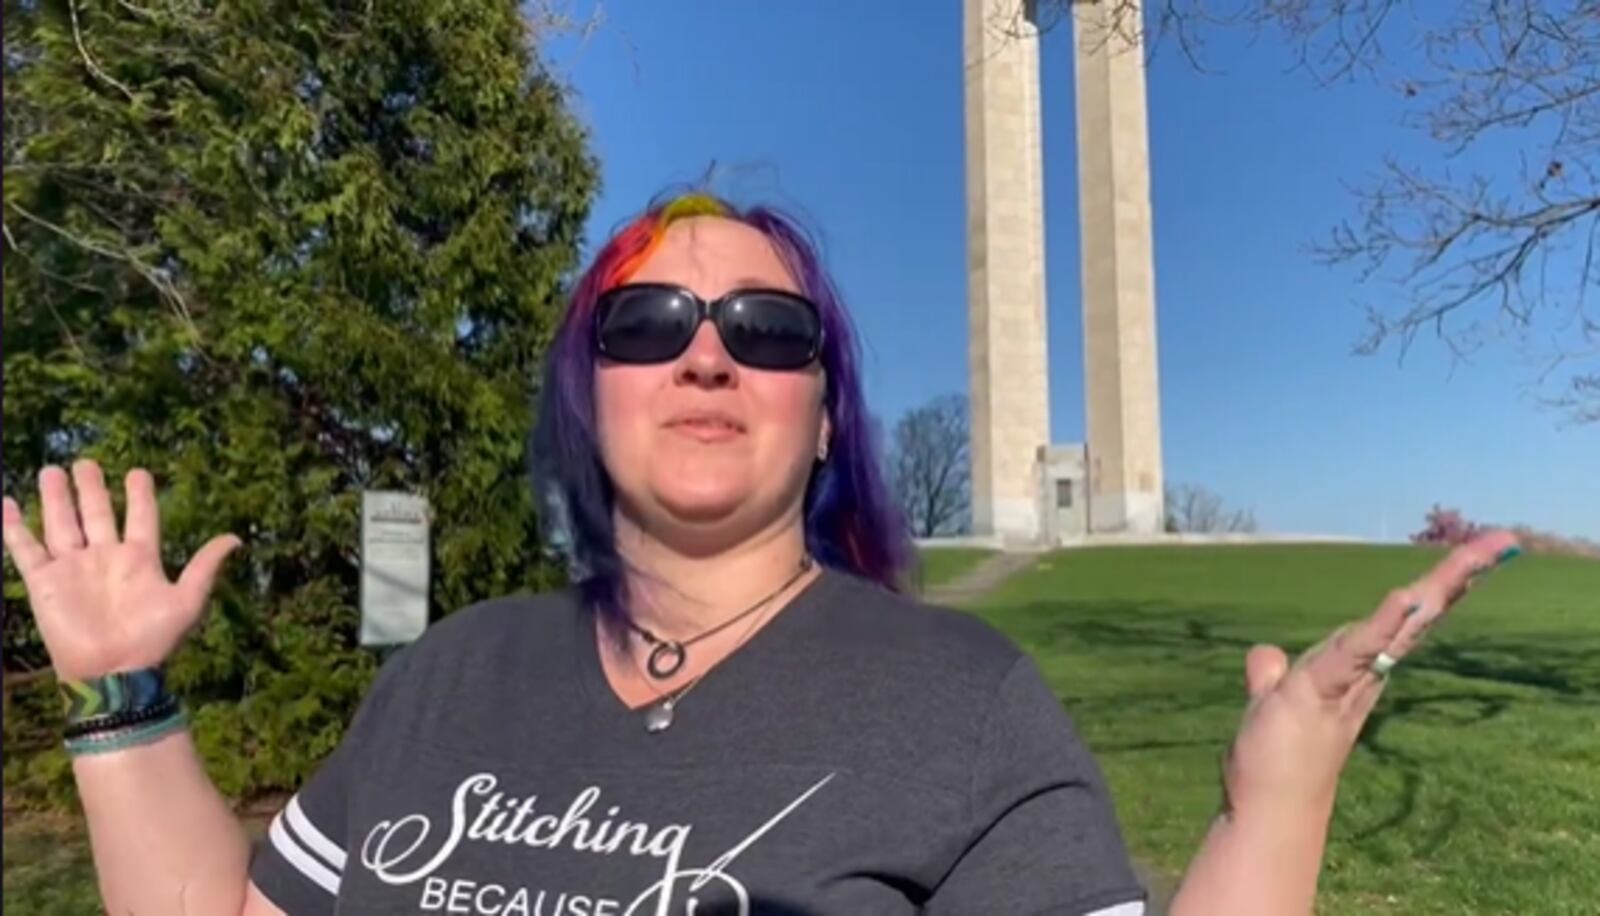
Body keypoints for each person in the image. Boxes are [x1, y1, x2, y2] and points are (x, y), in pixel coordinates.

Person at [2, 191, 1521, 916]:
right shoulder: (460, 666)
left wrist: (1277, 813)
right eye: (649, 323)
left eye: (767, 329)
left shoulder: (961, 700)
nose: (708, 357)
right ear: (584, 391)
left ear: (824, 408)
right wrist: (126, 697)